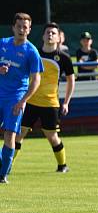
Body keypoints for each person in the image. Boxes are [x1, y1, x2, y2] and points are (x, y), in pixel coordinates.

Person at [17, 22, 76, 173]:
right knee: (18, 134)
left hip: (50, 104)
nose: (50, 35)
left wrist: (66, 102)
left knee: (52, 136)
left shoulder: (63, 58)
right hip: (30, 101)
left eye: (53, 33)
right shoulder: (33, 53)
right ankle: (6, 166)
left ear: (59, 38)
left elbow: (71, 80)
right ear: (43, 36)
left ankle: (62, 165)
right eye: (47, 32)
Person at [0, 13, 43, 184]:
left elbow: (36, 79)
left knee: (9, 134)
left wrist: (23, 100)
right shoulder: (2, 43)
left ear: (30, 30)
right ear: (13, 27)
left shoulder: (31, 52)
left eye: (25, 27)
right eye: (19, 26)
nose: (22, 29)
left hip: (16, 97)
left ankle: (3, 174)